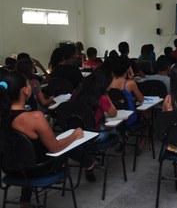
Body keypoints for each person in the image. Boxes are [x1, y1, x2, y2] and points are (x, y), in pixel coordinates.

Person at [0, 71, 84, 204]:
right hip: (39, 169)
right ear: (25, 90)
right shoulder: (35, 117)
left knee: (23, 151)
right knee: (69, 143)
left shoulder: (4, 118)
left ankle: (25, 201)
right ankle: (90, 163)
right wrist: (75, 135)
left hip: (9, 170)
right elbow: (55, 148)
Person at [71, 67, 117, 140]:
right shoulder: (102, 97)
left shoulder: (77, 91)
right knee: (114, 128)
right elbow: (113, 113)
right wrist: (106, 93)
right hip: (95, 134)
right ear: (104, 84)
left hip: (76, 130)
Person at [109, 56, 144, 126]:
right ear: (128, 69)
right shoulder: (130, 83)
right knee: (147, 118)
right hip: (129, 117)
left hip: (112, 116)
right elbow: (141, 100)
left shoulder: (108, 82)